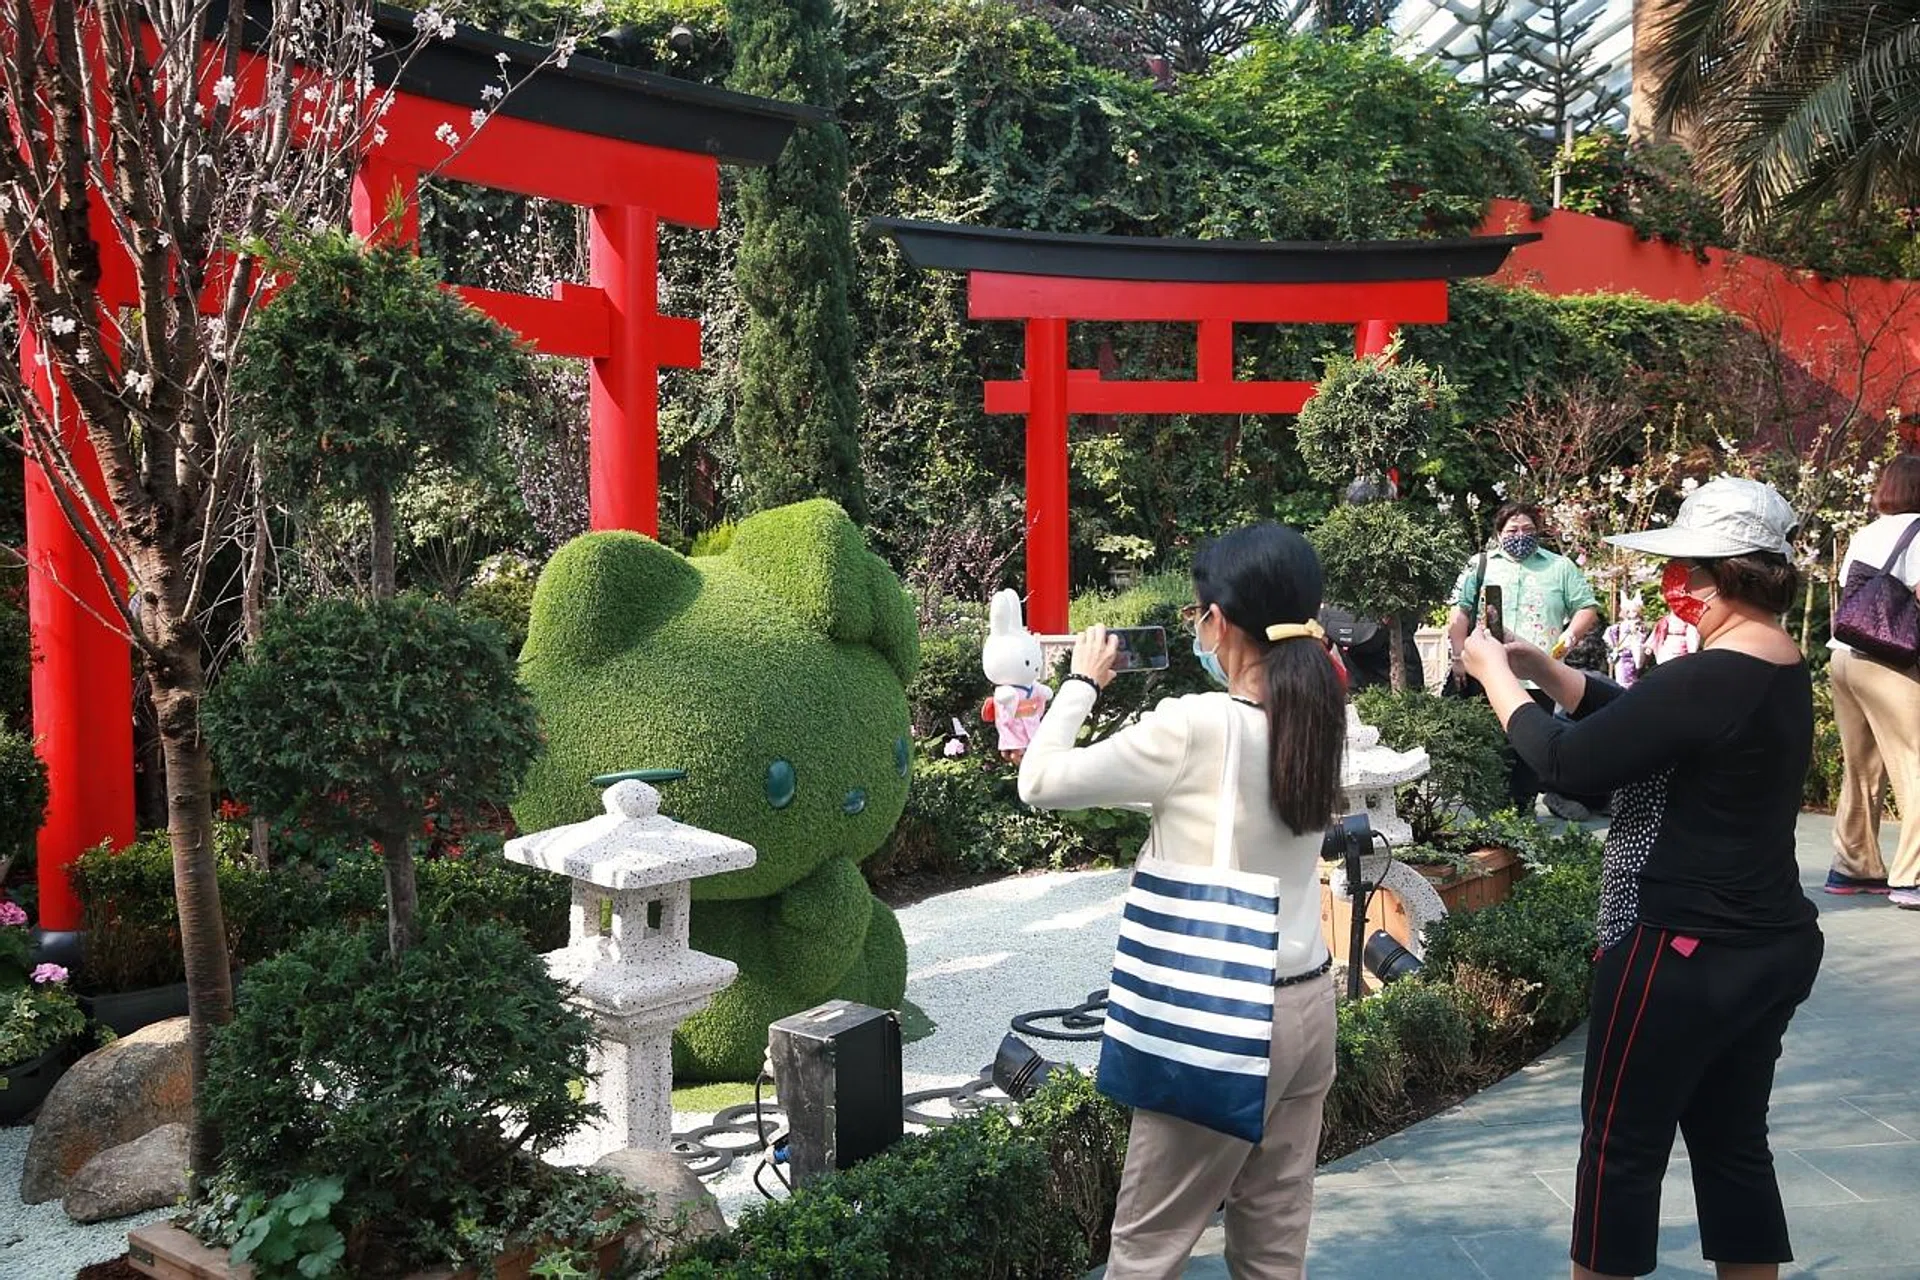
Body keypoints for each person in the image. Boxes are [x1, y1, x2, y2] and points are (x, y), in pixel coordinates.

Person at [1461, 476, 1823, 1280]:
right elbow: (1657, 721)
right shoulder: (1775, 664)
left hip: (1680, 951)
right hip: (1768, 942)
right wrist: (1552, 676)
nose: (1674, 583)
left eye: (1684, 567)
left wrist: (1493, 674)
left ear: (1720, 573)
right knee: (1733, 1147)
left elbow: (1569, 765)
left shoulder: (1709, 677)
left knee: (1619, 1150)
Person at [1019, 524, 1343, 1279]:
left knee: (1147, 1250)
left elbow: (1041, 781)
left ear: (1218, 623)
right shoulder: (1321, 715)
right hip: (1308, 1006)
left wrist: (1082, 682)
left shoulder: (1197, 726)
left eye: (1200, 613)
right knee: (1272, 1241)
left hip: (1218, 1015)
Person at [1447, 501, 1601, 815]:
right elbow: (1460, 612)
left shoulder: (1560, 567)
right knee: (1488, 744)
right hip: (1487, 672)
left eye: (1528, 529)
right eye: (1513, 530)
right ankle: (1487, 813)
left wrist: (1569, 637)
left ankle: (1523, 811)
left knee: (1529, 749)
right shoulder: (1481, 564)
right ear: (1498, 532)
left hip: (1538, 674)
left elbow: (1587, 607)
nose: (1521, 535)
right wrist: (1457, 656)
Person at [1824, 453, 1920, 901]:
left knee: (1862, 768)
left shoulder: (1866, 532)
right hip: (1890, 663)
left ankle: (1853, 866)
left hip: (1845, 658)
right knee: (1915, 762)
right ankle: (1912, 877)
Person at [1604, 598, 1647, 688]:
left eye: (1634, 611)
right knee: (1625, 680)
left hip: (1627, 655)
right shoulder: (1625, 626)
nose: (1632, 613)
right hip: (1624, 655)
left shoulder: (1636, 625)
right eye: (1629, 611)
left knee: (1628, 679)